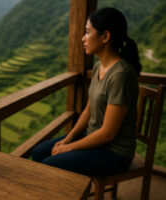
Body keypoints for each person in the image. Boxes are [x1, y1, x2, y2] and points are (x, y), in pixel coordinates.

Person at [32, 7, 142, 176]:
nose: (83, 38)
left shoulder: (121, 75)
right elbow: (88, 111)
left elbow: (108, 134)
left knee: (50, 165)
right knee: (39, 152)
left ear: (105, 36)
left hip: (114, 152)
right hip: (93, 139)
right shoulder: (99, 67)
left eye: (88, 32)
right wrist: (67, 139)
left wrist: (68, 148)